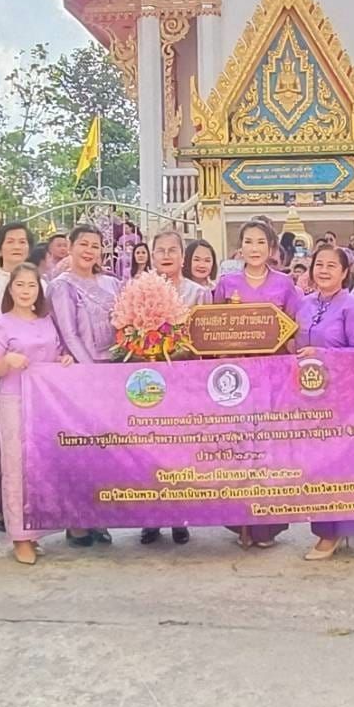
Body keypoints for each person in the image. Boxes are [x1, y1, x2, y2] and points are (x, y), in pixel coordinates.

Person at [213, 221, 299, 548]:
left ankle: (267, 528)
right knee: (238, 449)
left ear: (271, 248)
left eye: (260, 242)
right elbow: (214, 330)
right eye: (248, 241)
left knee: (269, 451)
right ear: (240, 247)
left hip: (273, 381)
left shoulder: (285, 284)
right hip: (235, 380)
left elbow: (294, 330)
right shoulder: (226, 284)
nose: (254, 248)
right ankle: (241, 525)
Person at [0, 263, 70, 565]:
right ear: (11, 289)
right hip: (13, 399)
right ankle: (19, 536)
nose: (25, 291)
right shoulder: (0, 323)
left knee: (41, 467)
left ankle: (36, 532)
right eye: (19, 285)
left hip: (45, 403)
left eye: (31, 285)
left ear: (39, 290)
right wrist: (7, 359)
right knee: (15, 468)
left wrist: (65, 360)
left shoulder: (46, 321)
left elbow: (58, 353)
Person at [296, 244, 354, 561]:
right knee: (316, 465)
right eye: (319, 264)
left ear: (345, 272)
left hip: (343, 399)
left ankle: (335, 532)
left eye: (332, 265)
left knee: (338, 465)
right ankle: (324, 529)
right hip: (307, 397)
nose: (324, 270)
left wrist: (324, 355)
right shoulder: (303, 304)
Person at [48, 225, 121, 548]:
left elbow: (125, 326)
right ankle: (78, 521)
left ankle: (101, 517)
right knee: (80, 449)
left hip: (114, 373)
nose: (89, 251)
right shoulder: (61, 286)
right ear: (72, 248)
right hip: (81, 376)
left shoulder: (113, 284)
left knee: (108, 449)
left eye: (95, 245)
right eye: (83, 244)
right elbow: (68, 333)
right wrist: (91, 373)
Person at [140, 229, 207, 547]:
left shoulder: (198, 293)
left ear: (183, 257)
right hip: (149, 381)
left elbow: (205, 339)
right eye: (160, 251)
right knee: (148, 450)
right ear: (152, 257)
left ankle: (181, 518)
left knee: (181, 452)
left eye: (172, 250)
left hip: (185, 379)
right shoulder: (139, 291)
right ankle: (150, 520)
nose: (166, 256)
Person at [0, 222, 35, 313]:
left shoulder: (41, 284)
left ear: (29, 250)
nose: (17, 247)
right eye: (10, 242)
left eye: (22, 242)